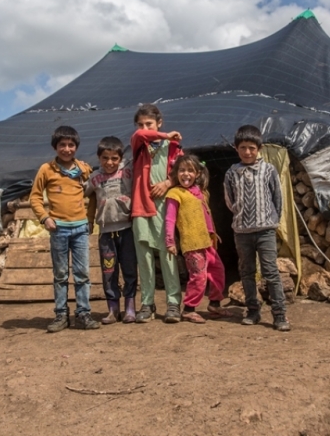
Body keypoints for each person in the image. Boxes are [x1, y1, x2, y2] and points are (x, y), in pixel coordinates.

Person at [30, 125, 98, 333]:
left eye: (71, 145)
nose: (67, 149)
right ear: (55, 147)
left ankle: (83, 314)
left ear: (76, 147)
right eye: (62, 145)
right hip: (58, 229)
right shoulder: (46, 170)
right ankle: (61, 315)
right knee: (60, 274)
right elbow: (35, 196)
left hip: (80, 229)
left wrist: (90, 218)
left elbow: (94, 190)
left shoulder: (83, 169)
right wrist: (44, 218)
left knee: (82, 273)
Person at [223, 125, 290, 332]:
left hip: (266, 231)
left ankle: (279, 314)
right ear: (236, 148)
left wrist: (270, 220)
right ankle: (252, 310)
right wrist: (242, 215)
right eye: (243, 147)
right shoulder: (232, 173)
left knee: (271, 272)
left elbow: (277, 198)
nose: (248, 152)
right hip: (242, 231)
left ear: (259, 148)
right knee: (247, 271)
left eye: (252, 148)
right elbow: (229, 200)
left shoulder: (269, 170)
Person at [131, 104, 184, 323]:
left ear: (159, 122)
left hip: (164, 207)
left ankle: (173, 303)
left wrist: (168, 182)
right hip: (141, 206)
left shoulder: (174, 147)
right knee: (144, 257)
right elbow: (140, 134)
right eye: (141, 124)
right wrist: (164, 134)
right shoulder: (139, 144)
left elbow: (184, 171)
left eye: (149, 123)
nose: (144, 128)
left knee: (168, 254)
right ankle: (147, 303)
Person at [165, 154, 227, 324]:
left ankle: (214, 304)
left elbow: (206, 215)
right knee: (198, 277)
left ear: (198, 173)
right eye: (182, 170)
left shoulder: (200, 193)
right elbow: (170, 220)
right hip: (192, 244)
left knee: (217, 272)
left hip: (207, 242)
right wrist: (170, 242)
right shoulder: (175, 194)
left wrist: (212, 233)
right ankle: (189, 309)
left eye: (190, 171)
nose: (186, 174)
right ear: (176, 173)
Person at [84, 136, 139, 324]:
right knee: (109, 272)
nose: (109, 162)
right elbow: (83, 192)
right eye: (105, 158)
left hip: (127, 230)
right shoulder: (95, 178)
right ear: (99, 158)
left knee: (130, 269)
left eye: (114, 158)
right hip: (106, 233)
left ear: (120, 158)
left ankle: (130, 308)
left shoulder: (128, 172)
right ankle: (113, 310)